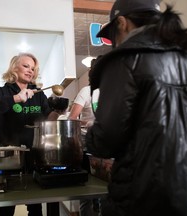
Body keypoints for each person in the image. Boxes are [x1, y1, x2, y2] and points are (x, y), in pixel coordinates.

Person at [85, 0, 187, 216]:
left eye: (113, 35)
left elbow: (106, 140)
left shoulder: (125, 61)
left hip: (142, 197)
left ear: (122, 23)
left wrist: (89, 136)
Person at [0, 53, 54, 216]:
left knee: (35, 207)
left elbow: (49, 119)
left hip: (35, 157)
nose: (30, 71)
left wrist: (58, 111)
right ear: (14, 68)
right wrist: (15, 99)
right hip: (8, 159)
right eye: (26, 66)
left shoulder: (39, 94)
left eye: (33, 68)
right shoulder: (1, 92)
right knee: (6, 208)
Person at [69, 58, 100, 216]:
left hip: (106, 146)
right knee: (87, 188)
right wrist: (88, 123)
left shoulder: (114, 91)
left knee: (106, 189)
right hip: (87, 145)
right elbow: (72, 119)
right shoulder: (86, 92)